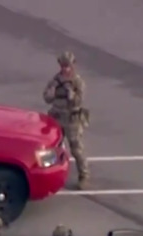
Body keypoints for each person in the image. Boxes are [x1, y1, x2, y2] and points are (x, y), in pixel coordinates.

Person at [43, 51, 90, 190]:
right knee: (51, 148)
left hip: (71, 120)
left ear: (73, 65)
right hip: (57, 117)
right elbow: (46, 97)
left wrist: (72, 96)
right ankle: (49, 175)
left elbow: (79, 101)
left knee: (76, 148)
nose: (65, 69)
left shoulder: (77, 82)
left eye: (68, 65)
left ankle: (84, 175)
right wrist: (50, 94)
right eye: (63, 65)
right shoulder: (55, 80)